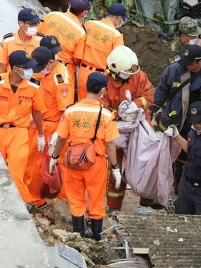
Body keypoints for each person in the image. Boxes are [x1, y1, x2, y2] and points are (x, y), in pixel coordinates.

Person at [49, 72, 120, 241]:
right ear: (102, 91)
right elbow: (110, 144)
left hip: (73, 161)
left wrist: (54, 157)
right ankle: (96, 236)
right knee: (96, 199)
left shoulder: (71, 111)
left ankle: (78, 235)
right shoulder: (106, 114)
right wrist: (116, 168)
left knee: (75, 198)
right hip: (96, 162)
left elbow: (61, 138)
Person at [152, 44, 201, 194]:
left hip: (197, 126)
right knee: (164, 158)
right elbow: (161, 92)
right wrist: (152, 110)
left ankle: (181, 190)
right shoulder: (174, 70)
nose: (187, 66)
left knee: (190, 158)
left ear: (200, 61)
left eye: (190, 64)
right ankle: (159, 192)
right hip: (174, 124)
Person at [0, 50, 45, 204]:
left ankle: (24, 207)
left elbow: (36, 111)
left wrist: (41, 135)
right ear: (16, 68)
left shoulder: (33, 86)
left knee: (16, 175)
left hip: (19, 133)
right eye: (27, 67)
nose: (31, 70)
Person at [99, 45, 155, 211]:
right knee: (116, 170)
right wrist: (119, 114)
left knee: (146, 165)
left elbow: (149, 96)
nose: (130, 75)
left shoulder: (139, 76)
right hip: (117, 132)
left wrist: (135, 106)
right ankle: (114, 207)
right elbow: (101, 108)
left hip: (141, 129)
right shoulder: (104, 82)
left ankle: (147, 202)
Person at [25, 41, 74, 209]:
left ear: (51, 62)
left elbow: (65, 111)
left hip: (53, 127)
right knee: (34, 162)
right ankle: (37, 197)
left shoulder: (60, 79)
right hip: (39, 124)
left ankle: (58, 201)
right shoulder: (45, 71)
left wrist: (57, 135)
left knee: (53, 164)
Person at [38, 0, 90, 93]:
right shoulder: (81, 32)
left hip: (39, 59)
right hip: (61, 68)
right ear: (84, 13)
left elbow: (37, 34)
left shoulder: (52, 15)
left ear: (70, 6)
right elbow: (76, 60)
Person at [77, 2, 126, 101]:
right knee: (96, 107)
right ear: (118, 18)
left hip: (82, 72)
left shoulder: (89, 24)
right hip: (100, 77)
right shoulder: (116, 35)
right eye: (122, 19)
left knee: (81, 103)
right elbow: (118, 61)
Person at [0, 8, 44, 74]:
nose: (35, 27)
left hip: (35, 82)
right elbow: (1, 66)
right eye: (32, 24)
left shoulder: (41, 40)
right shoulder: (8, 41)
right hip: (13, 80)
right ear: (21, 23)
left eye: (37, 23)